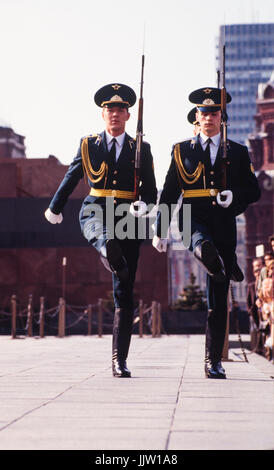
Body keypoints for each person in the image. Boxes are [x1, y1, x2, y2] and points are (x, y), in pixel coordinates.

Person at [45, 83, 157, 377]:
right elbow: (72, 177)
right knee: (101, 235)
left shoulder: (140, 148)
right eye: (109, 109)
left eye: (120, 110)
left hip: (128, 216)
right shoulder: (88, 144)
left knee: (124, 291)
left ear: (128, 115)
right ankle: (108, 248)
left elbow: (152, 190)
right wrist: (55, 208)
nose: (114, 114)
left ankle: (119, 360)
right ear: (102, 114)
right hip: (96, 207)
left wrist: (142, 205)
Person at [153, 87, 261, 379]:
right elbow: (170, 193)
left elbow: (254, 190)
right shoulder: (181, 150)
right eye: (204, 113)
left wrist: (233, 197)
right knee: (203, 247)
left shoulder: (236, 151)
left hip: (223, 222)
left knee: (218, 296)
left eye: (214, 113)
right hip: (191, 218)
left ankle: (213, 360)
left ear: (221, 118)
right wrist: (160, 229)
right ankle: (216, 259)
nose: (209, 117)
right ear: (196, 118)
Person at [247, 258, 263, 352]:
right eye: (255, 267)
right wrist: (250, 311)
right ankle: (255, 348)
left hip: (263, 311)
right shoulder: (251, 285)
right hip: (254, 313)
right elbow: (248, 300)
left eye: (259, 266)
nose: (257, 269)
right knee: (254, 331)